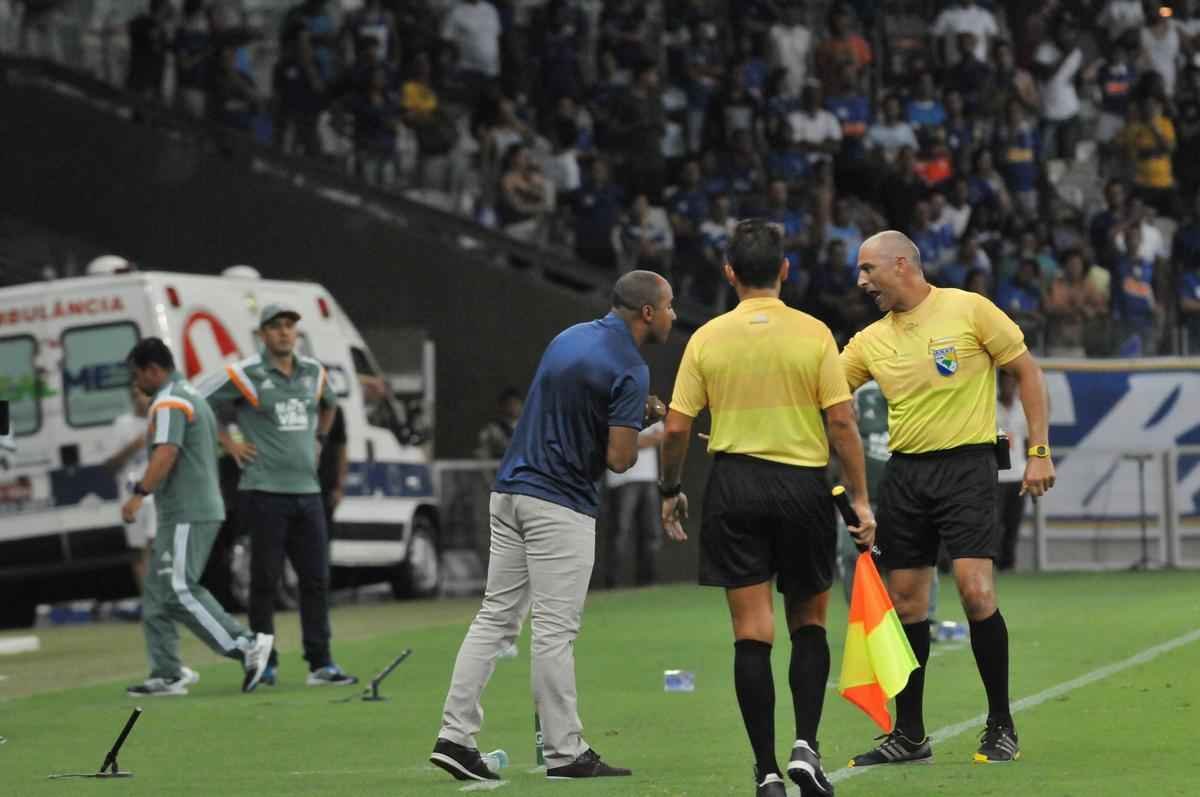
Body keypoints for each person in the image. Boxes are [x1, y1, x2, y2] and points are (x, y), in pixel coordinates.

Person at [658, 220, 876, 797]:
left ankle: (767, 772)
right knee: (809, 622)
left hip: (735, 486)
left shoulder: (707, 337)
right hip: (802, 486)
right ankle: (806, 746)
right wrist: (859, 498)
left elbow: (676, 428)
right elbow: (841, 423)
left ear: (729, 272)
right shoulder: (814, 333)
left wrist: (669, 488)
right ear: (784, 269)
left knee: (752, 631)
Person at [430, 270, 675, 782]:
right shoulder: (631, 366)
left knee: (495, 618)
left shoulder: (568, 337)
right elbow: (620, 459)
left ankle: (454, 736)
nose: (674, 315)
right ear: (648, 313)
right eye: (670, 306)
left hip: (509, 492)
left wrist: (632, 410)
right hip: (559, 505)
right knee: (554, 632)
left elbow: (576, 406)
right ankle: (565, 752)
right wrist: (642, 420)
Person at [842, 231, 1055, 768]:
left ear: (901, 264)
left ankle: (1001, 725)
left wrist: (1039, 451)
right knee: (907, 604)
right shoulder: (868, 341)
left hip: (967, 467)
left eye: (868, 269)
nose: (861, 281)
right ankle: (910, 735)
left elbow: (1027, 372)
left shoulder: (969, 309)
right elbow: (823, 392)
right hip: (906, 474)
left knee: (975, 591)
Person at [200, 303, 357, 688]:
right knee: (265, 581)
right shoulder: (246, 374)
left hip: (308, 493)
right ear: (262, 335)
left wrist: (319, 438)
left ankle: (321, 663)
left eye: (289, 326)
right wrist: (229, 443)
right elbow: (202, 403)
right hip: (264, 492)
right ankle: (264, 662)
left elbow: (330, 406)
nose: (285, 332)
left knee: (316, 579)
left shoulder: (313, 372)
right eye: (276, 327)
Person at [121, 338, 274, 697]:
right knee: (158, 593)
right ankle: (167, 672)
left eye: (137, 375)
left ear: (152, 370)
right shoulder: (190, 394)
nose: (135, 384)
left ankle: (246, 645)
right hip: (192, 508)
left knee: (178, 589)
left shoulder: (170, 401)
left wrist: (139, 494)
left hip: (187, 511)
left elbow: (167, 453)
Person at [105, 384, 156, 598]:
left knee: (156, 545)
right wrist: (133, 447)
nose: (140, 399)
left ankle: (163, 599)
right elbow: (109, 466)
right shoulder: (122, 425)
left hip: (156, 495)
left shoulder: (160, 421)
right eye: (135, 395)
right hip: (131, 496)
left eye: (143, 394)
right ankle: (148, 601)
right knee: (138, 551)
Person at [603, 420, 664, 588]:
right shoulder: (614, 411)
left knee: (651, 532)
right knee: (620, 533)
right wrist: (639, 440)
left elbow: (661, 435)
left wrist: (629, 442)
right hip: (621, 480)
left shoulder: (650, 408)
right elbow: (612, 442)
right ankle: (613, 585)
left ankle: (647, 582)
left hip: (649, 478)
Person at [995, 371, 1027, 571]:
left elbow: (1029, 438)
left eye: (1012, 382)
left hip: (1017, 475)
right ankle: (993, 563)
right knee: (994, 524)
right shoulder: (990, 408)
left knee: (1013, 523)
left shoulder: (1022, 408)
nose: (1009, 386)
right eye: (1005, 382)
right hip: (996, 476)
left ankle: (1009, 564)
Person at [474, 387, 522, 460]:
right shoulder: (491, 430)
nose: (514, 407)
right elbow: (483, 453)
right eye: (510, 404)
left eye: (516, 403)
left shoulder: (528, 429)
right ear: (502, 406)